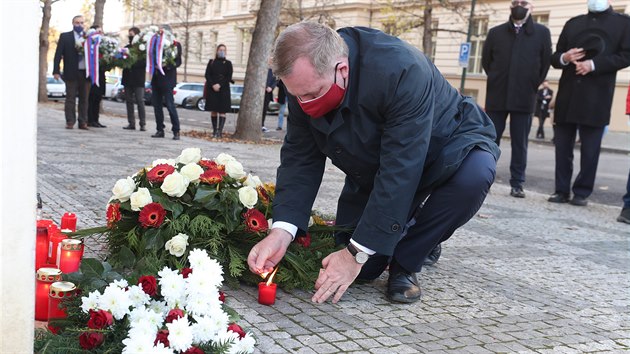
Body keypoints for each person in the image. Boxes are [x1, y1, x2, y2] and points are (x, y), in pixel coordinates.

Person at [247, 22, 500, 304]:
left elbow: (401, 168)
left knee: (473, 177)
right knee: (365, 269)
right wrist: (282, 231)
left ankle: (409, 260)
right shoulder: (304, 83)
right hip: (376, 164)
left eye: (311, 94)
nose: (304, 104)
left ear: (341, 70)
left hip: (447, 143)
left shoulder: (401, 70)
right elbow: (300, 158)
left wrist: (356, 254)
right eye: (297, 96)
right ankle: (404, 228)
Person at [548, 0, 630, 206]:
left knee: (590, 148)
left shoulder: (623, 23)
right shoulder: (573, 23)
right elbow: (556, 56)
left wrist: (594, 65)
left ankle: (582, 192)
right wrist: (565, 58)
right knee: (562, 145)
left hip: (598, 95)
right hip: (568, 93)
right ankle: (561, 190)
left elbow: (626, 55)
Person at [482, 0, 552, 198]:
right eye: (515, 2)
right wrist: (496, 78)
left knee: (520, 142)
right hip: (498, 94)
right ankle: (483, 179)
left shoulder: (541, 33)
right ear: (510, 6)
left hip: (524, 95)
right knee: (490, 140)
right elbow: (486, 61)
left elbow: (545, 63)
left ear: (532, 8)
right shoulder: (496, 33)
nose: (519, 5)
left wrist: (532, 84)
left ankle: (517, 183)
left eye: (524, 2)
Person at [53, 15, 90, 130]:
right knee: (70, 98)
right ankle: (70, 121)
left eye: (82, 23)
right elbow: (58, 54)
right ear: (73, 23)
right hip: (71, 72)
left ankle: (83, 121)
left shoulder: (89, 37)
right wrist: (56, 70)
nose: (79, 25)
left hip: (86, 73)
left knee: (84, 99)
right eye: (77, 23)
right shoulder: (65, 36)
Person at [150, 25, 182, 140]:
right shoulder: (155, 44)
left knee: (170, 105)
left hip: (168, 80)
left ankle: (176, 130)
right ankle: (160, 129)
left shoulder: (175, 44)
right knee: (157, 106)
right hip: (156, 79)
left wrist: (166, 65)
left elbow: (178, 61)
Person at [204, 44, 233, 138]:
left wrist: (220, 84)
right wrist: (213, 84)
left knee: (222, 111)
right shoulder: (211, 62)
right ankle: (214, 130)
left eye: (224, 50)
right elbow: (207, 75)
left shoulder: (228, 63)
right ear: (217, 51)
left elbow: (229, 77)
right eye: (220, 50)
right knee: (213, 110)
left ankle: (219, 131)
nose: (222, 52)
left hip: (223, 89)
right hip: (212, 89)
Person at [122, 26, 146, 131]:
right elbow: (122, 61)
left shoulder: (142, 49)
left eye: (131, 34)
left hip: (138, 79)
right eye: (129, 34)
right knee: (129, 101)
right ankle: (131, 123)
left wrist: (131, 62)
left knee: (140, 101)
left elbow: (144, 63)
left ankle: (142, 123)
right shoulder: (127, 47)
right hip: (128, 78)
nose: (130, 36)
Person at [87, 25, 107, 128]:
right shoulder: (90, 43)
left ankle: (96, 119)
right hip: (92, 75)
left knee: (98, 99)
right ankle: (89, 119)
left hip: (101, 75)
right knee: (91, 99)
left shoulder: (103, 45)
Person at [262, 68, 277, 132]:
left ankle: (262, 125)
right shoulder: (263, 69)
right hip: (261, 91)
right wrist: (266, 86)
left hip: (267, 93)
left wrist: (271, 87)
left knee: (264, 109)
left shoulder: (274, 71)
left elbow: (276, 80)